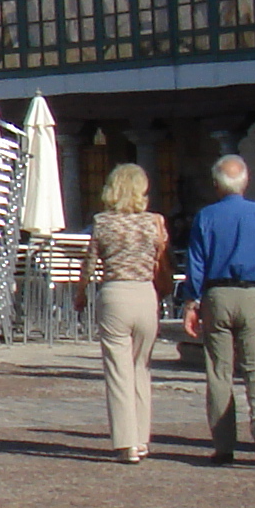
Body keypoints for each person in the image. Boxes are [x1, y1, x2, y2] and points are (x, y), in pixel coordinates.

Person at [181, 155, 255, 466]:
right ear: (246, 182)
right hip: (254, 292)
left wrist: (192, 302)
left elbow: (196, 263)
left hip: (217, 293)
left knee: (219, 371)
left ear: (216, 185)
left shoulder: (206, 216)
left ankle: (224, 444)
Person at [86, 163, 169, 462]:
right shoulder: (154, 222)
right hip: (145, 294)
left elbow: (90, 263)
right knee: (141, 368)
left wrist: (81, 293)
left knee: (118, 371)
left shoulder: (102, 222)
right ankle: (142, 438)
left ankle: (126, 442)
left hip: (115, 293)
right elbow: (161, 260)